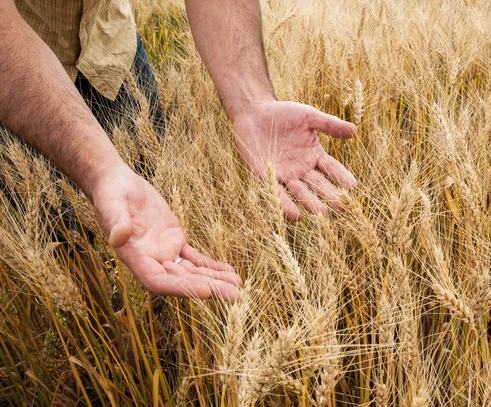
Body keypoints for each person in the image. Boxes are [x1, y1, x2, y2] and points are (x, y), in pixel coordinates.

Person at [0, 0, 358, 302]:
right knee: (57, 266)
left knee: (143, 230)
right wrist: (101, 169)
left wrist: (251, 101)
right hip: (16, 87)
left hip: (109, 47)